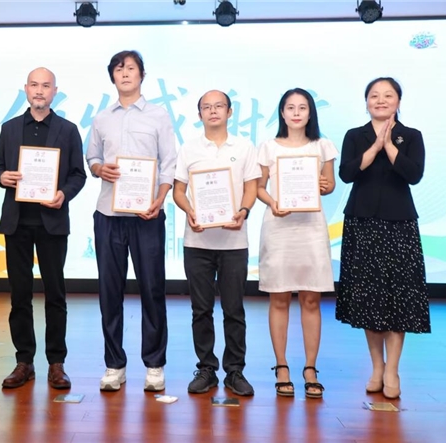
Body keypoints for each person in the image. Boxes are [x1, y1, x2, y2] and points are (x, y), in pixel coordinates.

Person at [86, 50, 177, 392]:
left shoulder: (158, 115)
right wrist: (99, 168)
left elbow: (169, 163)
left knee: (152, 289)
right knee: (110, 292)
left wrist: (160, 199)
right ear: (112, 76)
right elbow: (92, 157)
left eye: (131, 68)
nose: (125, 73)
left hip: (146, 214)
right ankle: (114, 365)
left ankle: (154, 364)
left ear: (142, 75)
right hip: (108, 214)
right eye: (119, 69)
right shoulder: (101, 118)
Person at [336, 77, 431, 400]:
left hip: (399, 223)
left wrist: (389, 145)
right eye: (374, 95)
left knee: (398, 297)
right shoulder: (355, 136)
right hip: (362, 222)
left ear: (398, 101)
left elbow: (413, 175)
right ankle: (377, 366)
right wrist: (374, 146)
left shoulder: (411, 136)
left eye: (388, 95)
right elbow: (347, 174)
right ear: (366, 102)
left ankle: (393, 369)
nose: (380, 100)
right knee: (369, 298)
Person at [0, 67, 87, 390]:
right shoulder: (9, 128)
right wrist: (2, 177)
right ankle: (24, 362)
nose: (39, 91)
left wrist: (64, 194)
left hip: (52, 222)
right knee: (19, 295)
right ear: (26, 89)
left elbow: (78, 174)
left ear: (54, 91)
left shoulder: (68, 130)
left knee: (55, 294)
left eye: (46, 86)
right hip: (17, 222)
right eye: (34, 85)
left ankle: (56, 363)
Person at [173, 90, 261, 396]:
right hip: (197, 241)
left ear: (229, 111)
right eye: (206, 107)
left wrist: (243, 211)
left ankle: (235, 371)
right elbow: (179, 191)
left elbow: (251, 188)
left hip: (234, 242)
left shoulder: (245, 147)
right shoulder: (189, 148)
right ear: (199, 114)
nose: (213, 111)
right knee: (201, 310)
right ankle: (206, 368)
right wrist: (189, 211)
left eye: (219, 106)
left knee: (234, 309)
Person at [256, 88, 338, 399]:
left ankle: (310, 368)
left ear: (310, 112)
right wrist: (273, 202)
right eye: (290, 107)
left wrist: (324, 185)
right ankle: (281, 366)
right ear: (282, 112)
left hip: (311, 228)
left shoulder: (322, 146)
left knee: (311, 299)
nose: (296, 113)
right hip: (279, 227)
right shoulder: (268, 147)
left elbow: (329, 185)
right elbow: (259, 188)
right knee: (278, 298)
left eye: (302, 107)